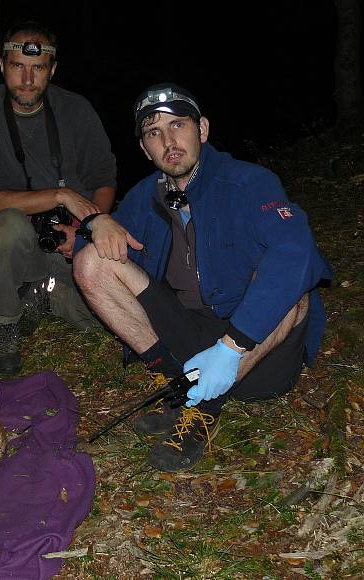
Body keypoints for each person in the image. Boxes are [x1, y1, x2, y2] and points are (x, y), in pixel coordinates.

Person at [72, 83, 332, 472]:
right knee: (92, 261)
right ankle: (180, 380)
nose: (169, 140)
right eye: (154, 132)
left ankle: (201, 406)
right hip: (189, 337)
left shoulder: (249, 182)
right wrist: (96, 222)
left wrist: (231, 348)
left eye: (178, 125)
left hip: (256, 350)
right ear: (144, 149)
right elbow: (83, 255)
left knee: (296, 291)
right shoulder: (145, 196)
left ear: (203, 130)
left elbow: (297, 253)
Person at [0, 21, 117, 376]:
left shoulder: (76, 110)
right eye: (18, 67)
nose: (27, 79)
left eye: (38, 68)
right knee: (5, 226)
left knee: (104, 326)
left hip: (73, 238)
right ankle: (3, 327)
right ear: (1, 66)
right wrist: (61, 195)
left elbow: (103, 179)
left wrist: (89, 230)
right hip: (19, 243)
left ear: (52, 70)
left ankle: (45, 296)